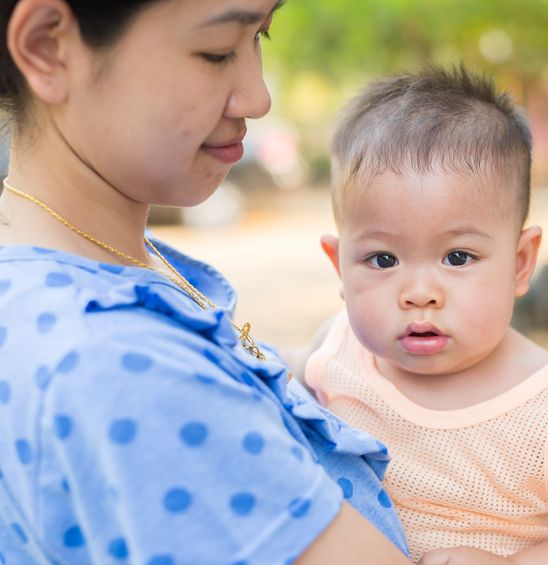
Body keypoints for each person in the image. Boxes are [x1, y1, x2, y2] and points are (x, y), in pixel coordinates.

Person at [0, 1, 413, 563]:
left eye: (261, 37)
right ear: (48, 45)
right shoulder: (124, 365)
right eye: (217, 51)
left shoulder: (99, 269)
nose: (258, 97)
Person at [302, 66, 548, 564]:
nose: (420, 293)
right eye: (383, 260)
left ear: (520, 263)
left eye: (457, 258)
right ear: (340, 266)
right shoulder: (334, 356)